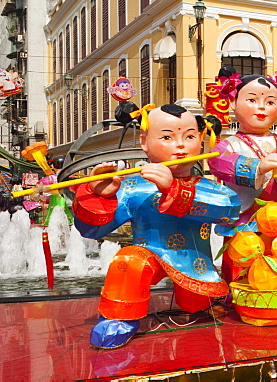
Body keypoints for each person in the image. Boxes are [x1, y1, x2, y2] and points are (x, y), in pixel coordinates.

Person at [72, 105, 240, 349]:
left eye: (190, 136)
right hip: (147, 254)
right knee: (129, 259)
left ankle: (202, 300)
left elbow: (229, 211)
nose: (181, 146)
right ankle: (119, 318)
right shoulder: (133, 187)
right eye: (167, 137)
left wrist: (174, 189)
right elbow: (92, 231)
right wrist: (99, 196)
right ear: (144, 141)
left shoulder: (207, 186)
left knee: (195, 307)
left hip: (195, 265)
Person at [208, 71, 277, 283]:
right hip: (245, 218)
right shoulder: (231, 144)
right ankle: (241, 295)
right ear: (233, 103)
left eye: (270, 102)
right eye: (252, 100)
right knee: (244, 261)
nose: (261, 107)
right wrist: (257, 167)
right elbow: (217, 162)